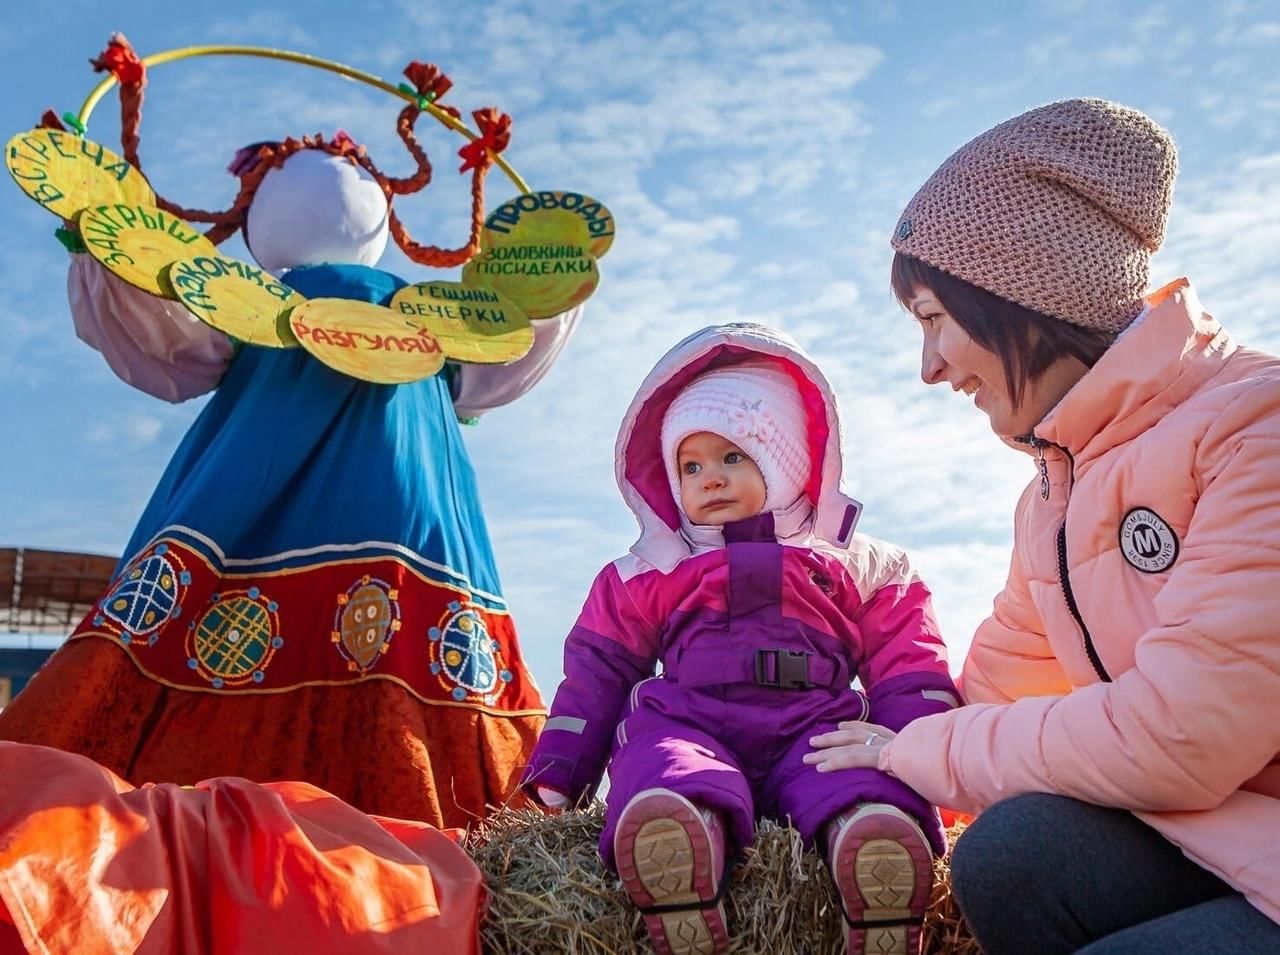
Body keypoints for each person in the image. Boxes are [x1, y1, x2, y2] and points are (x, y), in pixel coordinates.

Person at [0, 39, 582, 829]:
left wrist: (101, 235)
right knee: (418, 697)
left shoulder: (264, 311)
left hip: (235, 529)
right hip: (415, 537)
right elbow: (516, 345)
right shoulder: (427, 330)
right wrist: (557, 277)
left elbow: (160, 338)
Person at [806, 98, 1280, 953]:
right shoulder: (1057, 487)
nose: (929, 368)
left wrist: (922, 749)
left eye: (933, 319)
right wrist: (817, 752)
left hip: (1248, 829)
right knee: (1006, 854)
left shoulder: (1256, 425)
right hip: (1231, 835)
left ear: (1017, 291)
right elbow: (990, 693)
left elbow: (1182, 734)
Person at [523, 323, 960, 955]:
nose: (709, 479)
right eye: (690, 465)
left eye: (733, 457)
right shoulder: (653, 570)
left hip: (815, 726)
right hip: (694, 719)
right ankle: (679, 839)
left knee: (856, 774)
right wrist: (560, 774)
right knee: (661, 761)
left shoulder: (854, 563)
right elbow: (595, 674)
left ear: (786, 462)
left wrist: (925, 753)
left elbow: (909, 664)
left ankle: (869, 840)